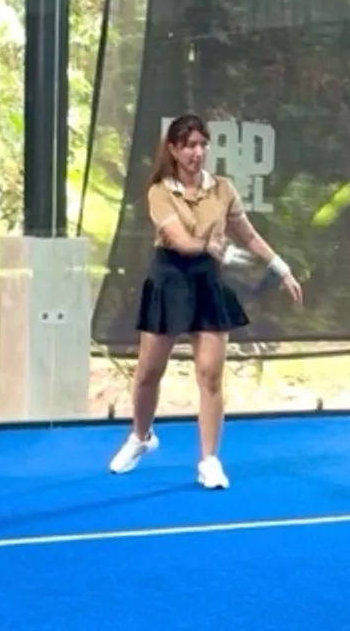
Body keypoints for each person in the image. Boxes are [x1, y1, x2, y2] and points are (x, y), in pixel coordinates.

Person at [109, 113, 302, 489]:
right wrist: (210, 247)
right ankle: (141, 437)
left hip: (207, 284)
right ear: (174, 150)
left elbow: (248, 236)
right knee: (148, 373)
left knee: (210, 375)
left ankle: (209, 461)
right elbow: (180, 241)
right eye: (189, 146)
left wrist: (282, 268)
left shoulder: (223, 189)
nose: (197, 153)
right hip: (168, 280)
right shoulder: (159, 191)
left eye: (202, 145)